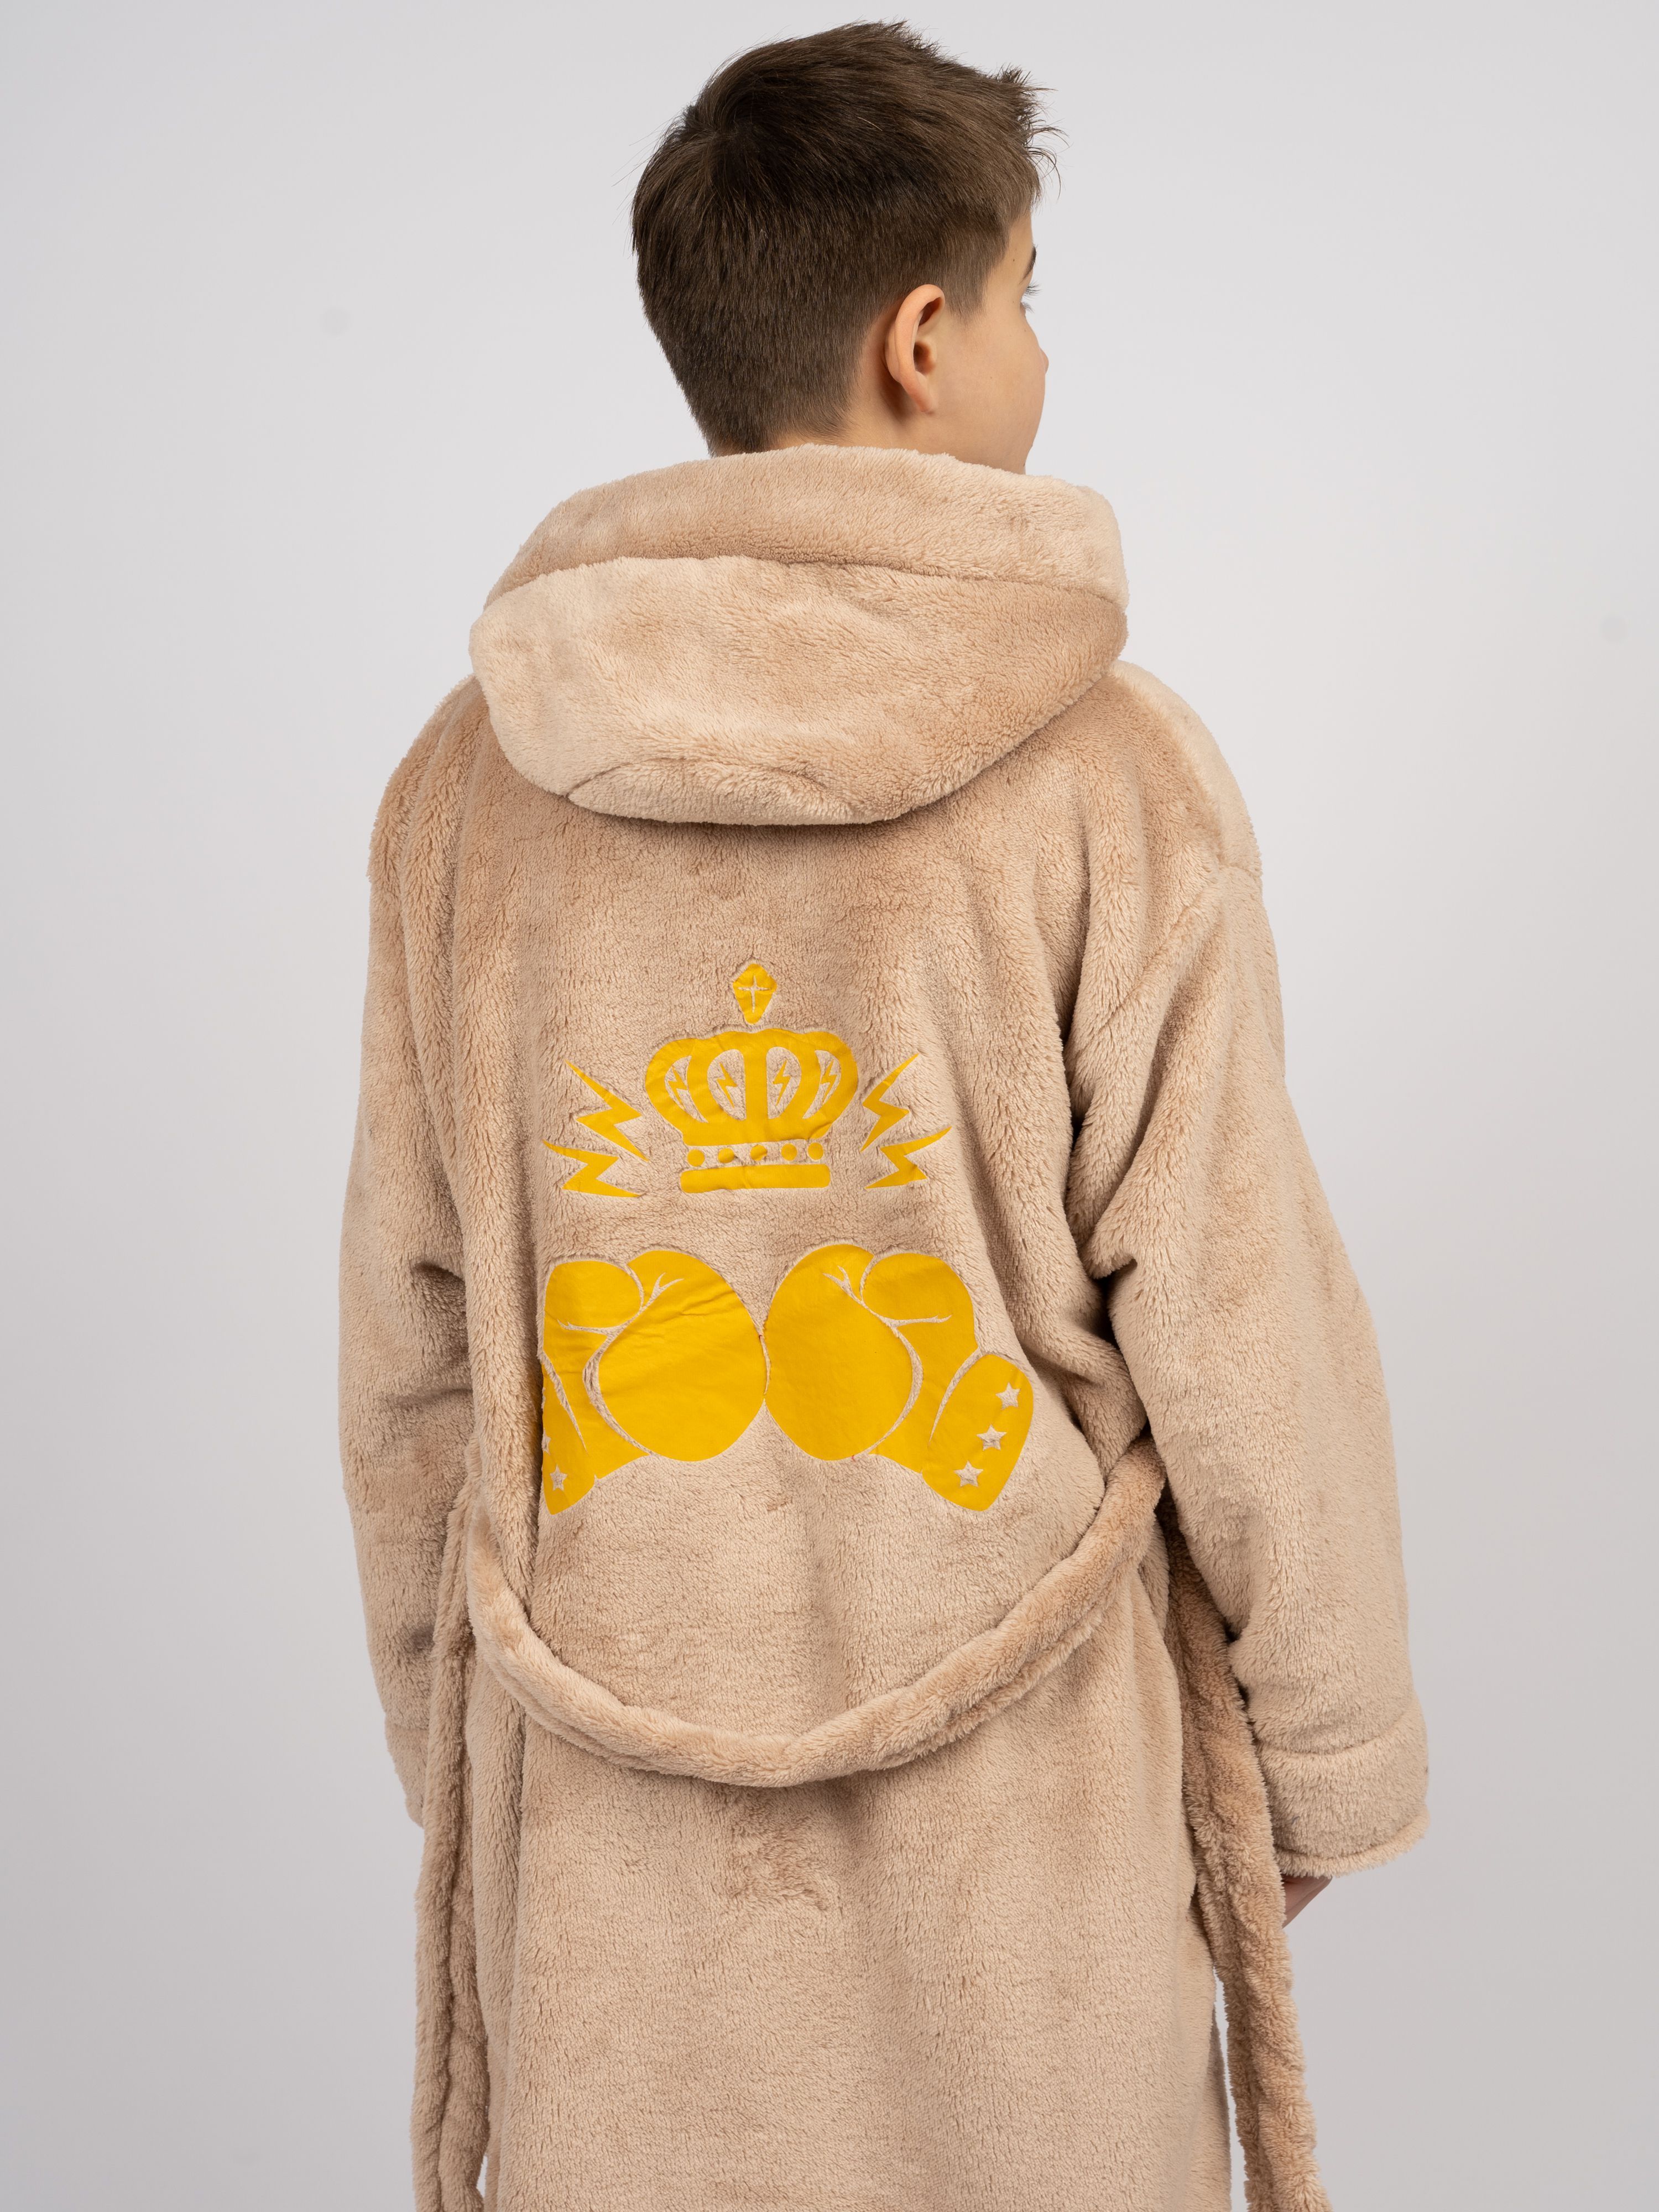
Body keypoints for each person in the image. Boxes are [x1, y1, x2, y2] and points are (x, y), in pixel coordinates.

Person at [340, 23, 1426, 2212]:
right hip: (1022, 1819)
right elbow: (1236, 1313)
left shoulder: (469, 788)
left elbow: (415, 1342)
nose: (1045, 350)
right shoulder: (1110, 774)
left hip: (611, 1809)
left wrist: (466, 1736)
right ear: (923, 343)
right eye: (1028, 295)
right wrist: (1324, 1758)